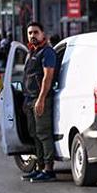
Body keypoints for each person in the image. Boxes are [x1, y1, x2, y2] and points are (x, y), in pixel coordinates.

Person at [20, 22, 58, 183]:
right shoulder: (31, 52)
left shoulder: (47, 52)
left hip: (41, 99)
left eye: (36, 32)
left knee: (43, 134)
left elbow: (47, 77)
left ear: (43, 34)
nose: (32, 36)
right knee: (35, 134)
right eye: (30, 33)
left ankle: (49, 170)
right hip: (30, 99)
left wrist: (41, 99)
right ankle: (39, 167)